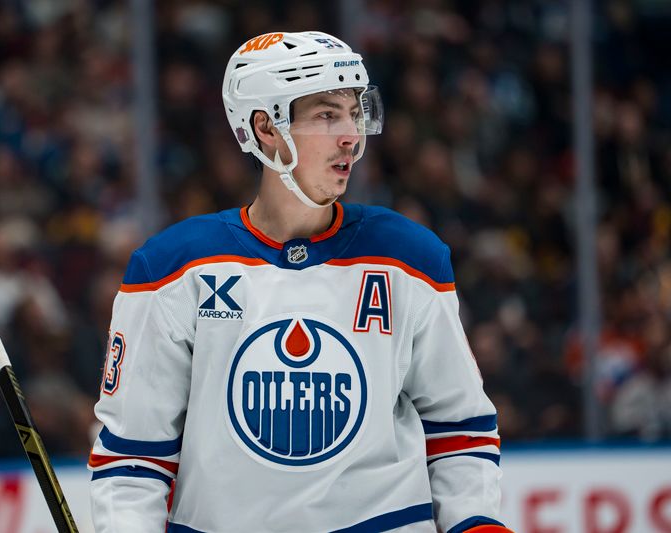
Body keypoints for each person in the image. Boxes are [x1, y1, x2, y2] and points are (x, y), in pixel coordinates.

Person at [89, 31, 511, 533]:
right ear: (265, 128)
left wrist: (476, 522)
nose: (351, 136)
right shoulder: (173, 269)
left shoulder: (410, 258)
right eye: (327, 115)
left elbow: (460, 428)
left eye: (355, 112)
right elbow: (133, 459)